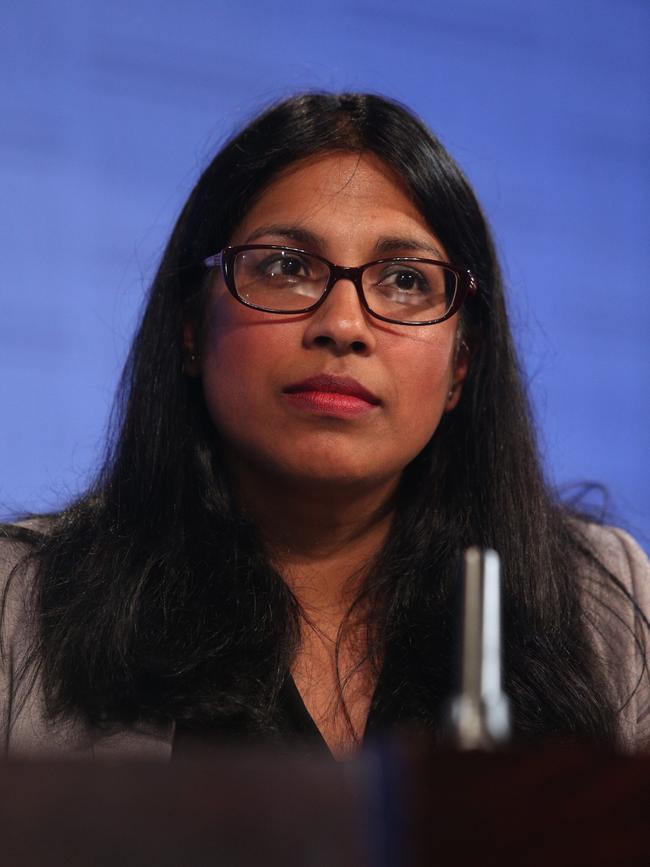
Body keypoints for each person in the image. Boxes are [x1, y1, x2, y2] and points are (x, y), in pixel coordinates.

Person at [1, 92, 648, 761]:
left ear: (462, 363)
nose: (343, 325)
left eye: (404, 279)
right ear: (191, 328)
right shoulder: (20, 602)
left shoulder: (604, 602)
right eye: (285, 267)